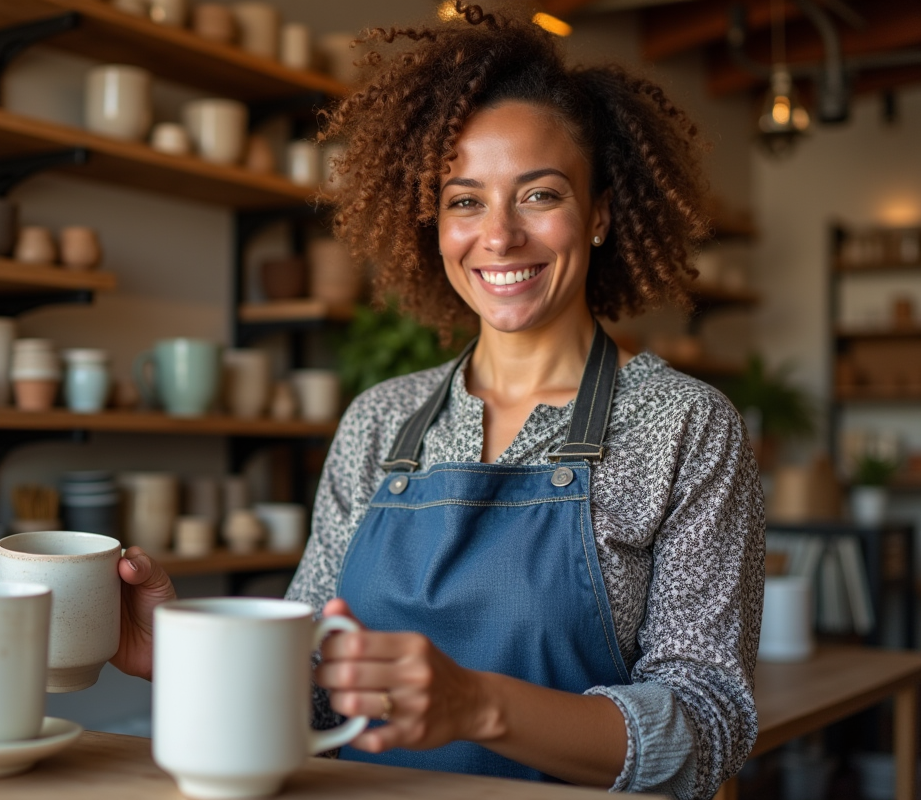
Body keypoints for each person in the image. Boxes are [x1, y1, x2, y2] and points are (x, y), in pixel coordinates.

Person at [112, 5, 764, 799]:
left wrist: (477, 706)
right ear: (434, 223)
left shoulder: (685, 426)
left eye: (540, 195)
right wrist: (185, 655)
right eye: (464, 200)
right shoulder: (381, 422)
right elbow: (320, 688)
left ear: (597, 215)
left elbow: (707, 729)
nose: (498, 236)